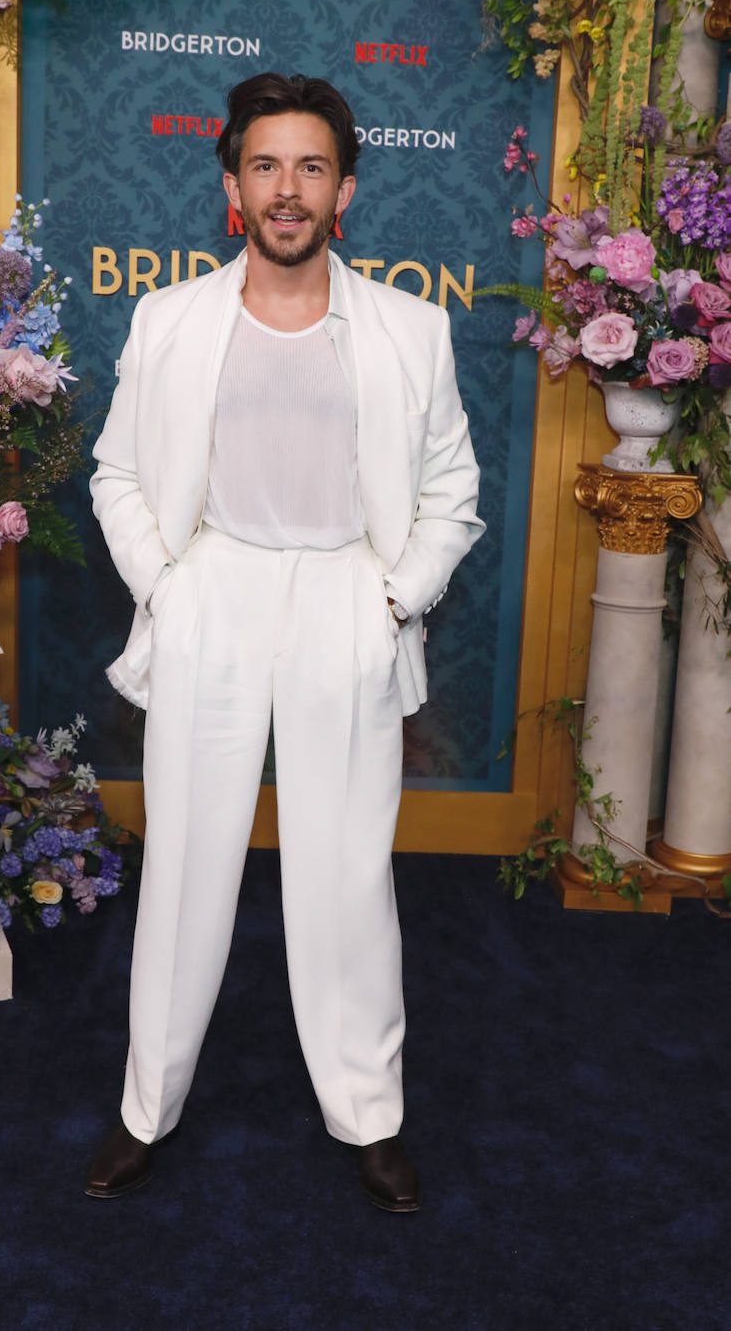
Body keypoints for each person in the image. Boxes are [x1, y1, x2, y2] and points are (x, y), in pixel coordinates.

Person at [86, 72, 484, 1212]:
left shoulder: (411, 330)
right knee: (184, 868)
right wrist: (167, 586)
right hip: (213, 590)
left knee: (347, 873)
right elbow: (117, 470)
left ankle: (368, 1115)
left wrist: (395, 599)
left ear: (344, 190)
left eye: (311, 167)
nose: (287, 189)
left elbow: (452, 488)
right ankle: (143, 1110)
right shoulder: (170, 319)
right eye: (266, 166)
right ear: (231, 187)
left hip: (345, 603)